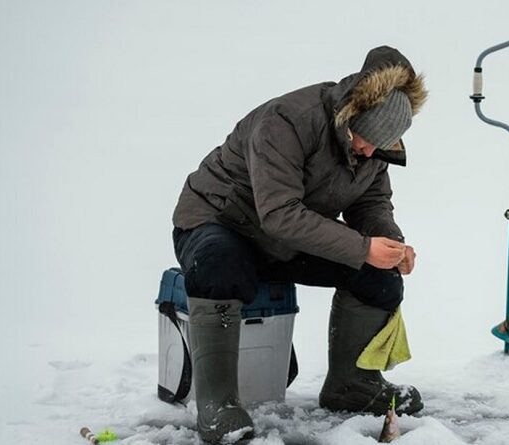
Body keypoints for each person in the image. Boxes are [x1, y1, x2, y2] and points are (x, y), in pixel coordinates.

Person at [171, 45, 427, 443]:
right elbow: (279, 214)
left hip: (285, 241)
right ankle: (217, 404)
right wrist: (362, 247)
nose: (370, 152)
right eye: (366, 140)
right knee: (221, 267)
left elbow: (371, 202)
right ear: (351, 115)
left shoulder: (373, 149)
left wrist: (389, 245)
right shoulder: (288, 121)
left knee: (380, 276)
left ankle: (351, 385)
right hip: (220, 222)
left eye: (381, 146)